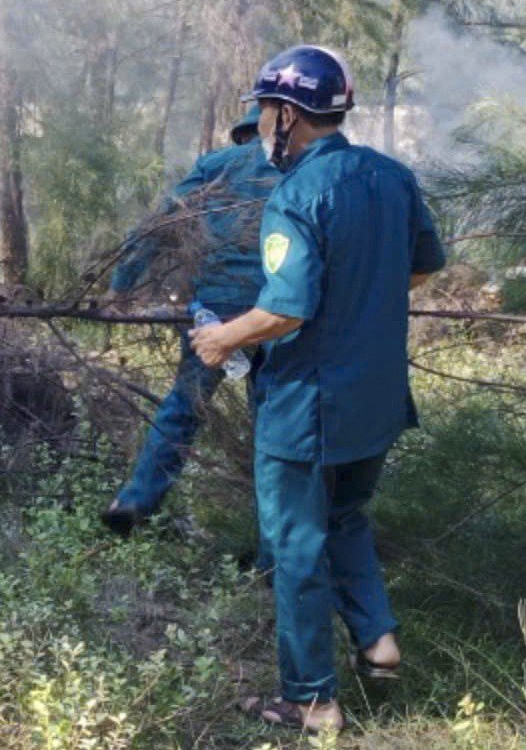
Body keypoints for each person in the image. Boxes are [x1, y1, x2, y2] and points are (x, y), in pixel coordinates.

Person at [190, 45, 445, 733]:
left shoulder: (297, 195)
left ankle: (309, 700)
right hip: (379, 398)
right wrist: (361, 301)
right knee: (345, 517)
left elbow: (288, 309)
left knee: (296, 544)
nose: (262, 117)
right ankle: (379, 640)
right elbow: (422, 265)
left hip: (309, 404)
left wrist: (222, 339)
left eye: (267, 107)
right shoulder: (394, 178)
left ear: (289, 115)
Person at [101, 106, 278, 535]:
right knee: (272, 425)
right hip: (277, 312)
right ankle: (274, 550)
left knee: (184, 404)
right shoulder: (303, 171)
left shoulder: (215, 166)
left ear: (244, 133)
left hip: (213, 313)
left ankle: (136, 500)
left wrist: (120, 287)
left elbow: (157, 226)